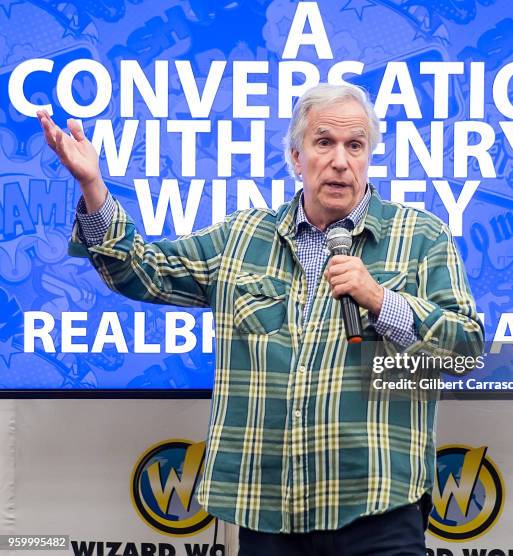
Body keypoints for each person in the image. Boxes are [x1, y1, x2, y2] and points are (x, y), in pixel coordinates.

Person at [37, 83, 484, 555]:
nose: (340, 160)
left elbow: (467, 348)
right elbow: (140, 270)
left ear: (368, 156)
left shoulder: (421, 236)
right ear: (296, 157)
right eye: (324, 142)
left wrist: (381, 299)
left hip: (378, 511)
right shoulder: (242, 238)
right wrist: (92, 186)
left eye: (355, 146)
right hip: (269, 513)